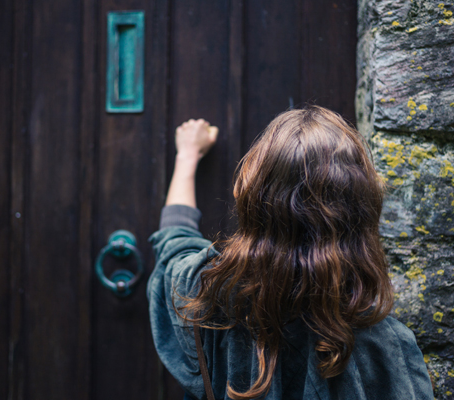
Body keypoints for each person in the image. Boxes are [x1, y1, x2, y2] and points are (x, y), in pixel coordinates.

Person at [147, 107, 434, 400]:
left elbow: (174, 241)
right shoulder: (386, 348)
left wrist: (187, 156)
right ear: (363, 209)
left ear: (249, 197)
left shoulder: (203, 295)